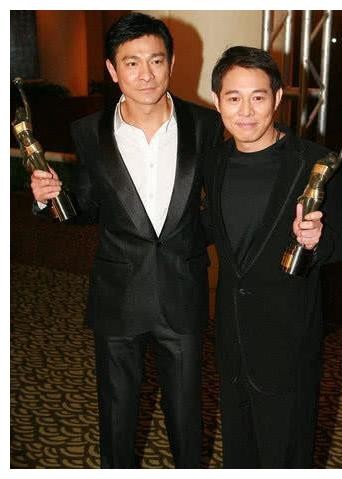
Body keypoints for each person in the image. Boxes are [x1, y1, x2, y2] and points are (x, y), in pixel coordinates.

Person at [30, 12, 223, 469]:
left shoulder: (206, 125)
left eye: (155, 60)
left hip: (183, 289)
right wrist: (50, 199)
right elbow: (88, 207)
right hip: (118, 295)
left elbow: (220, 205)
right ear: (112, 70)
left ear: (171, 63)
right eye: (131, 63)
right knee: (116, 418)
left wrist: (193, 245)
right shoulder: (88, 131)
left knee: (187, 418)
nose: (146, 74)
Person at [202, 46, 342, 468]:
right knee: (239, 455)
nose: (246, 111)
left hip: (288, 342)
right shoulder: (213, 162)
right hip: (232, 339)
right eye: (234, 98)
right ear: (217, 101)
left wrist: (318, 239)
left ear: (277, 98)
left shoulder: (315, 163)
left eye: (258, 97)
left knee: (286, 456)